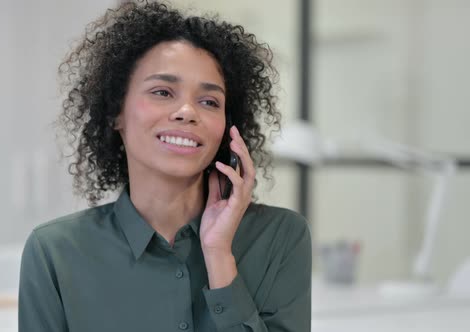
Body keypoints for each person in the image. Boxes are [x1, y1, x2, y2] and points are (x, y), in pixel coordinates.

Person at [18, 1, 311, 331]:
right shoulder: (54, 254)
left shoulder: (280, 238)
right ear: (116, 112)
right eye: (162, 91)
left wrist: (219, 257)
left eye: (209, 101)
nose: (187, 111)